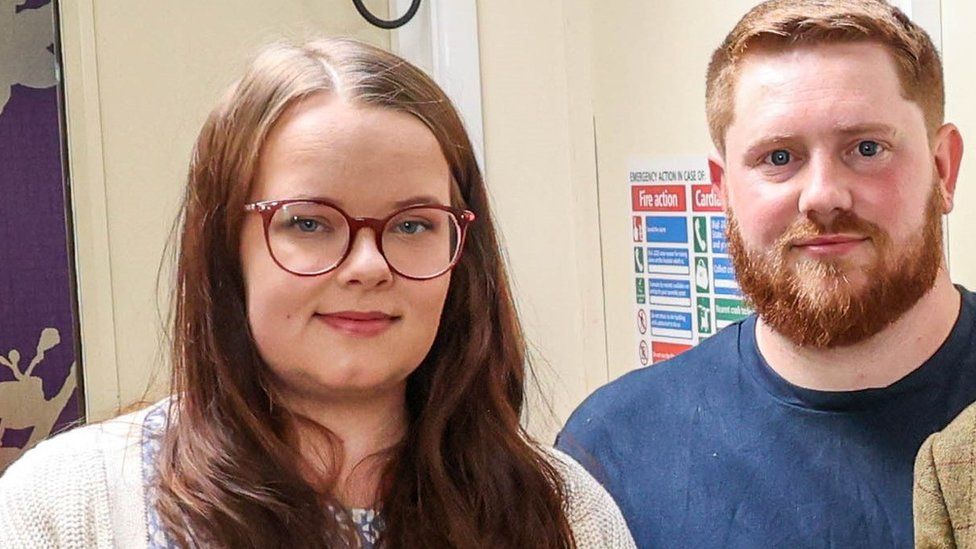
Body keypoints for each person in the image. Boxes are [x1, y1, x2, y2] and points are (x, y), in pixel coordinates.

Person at [0, 39, 635, 548]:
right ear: (226, 251)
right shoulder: (67, 507)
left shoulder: (566, 515)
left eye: (413, 225)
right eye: (308, 223)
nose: (367, 265)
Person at [557, 1, 972, 547]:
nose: (823, 195)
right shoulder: (613, 450)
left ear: (943, 168)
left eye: (867, 149)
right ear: (723, 190)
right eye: (779, 158)